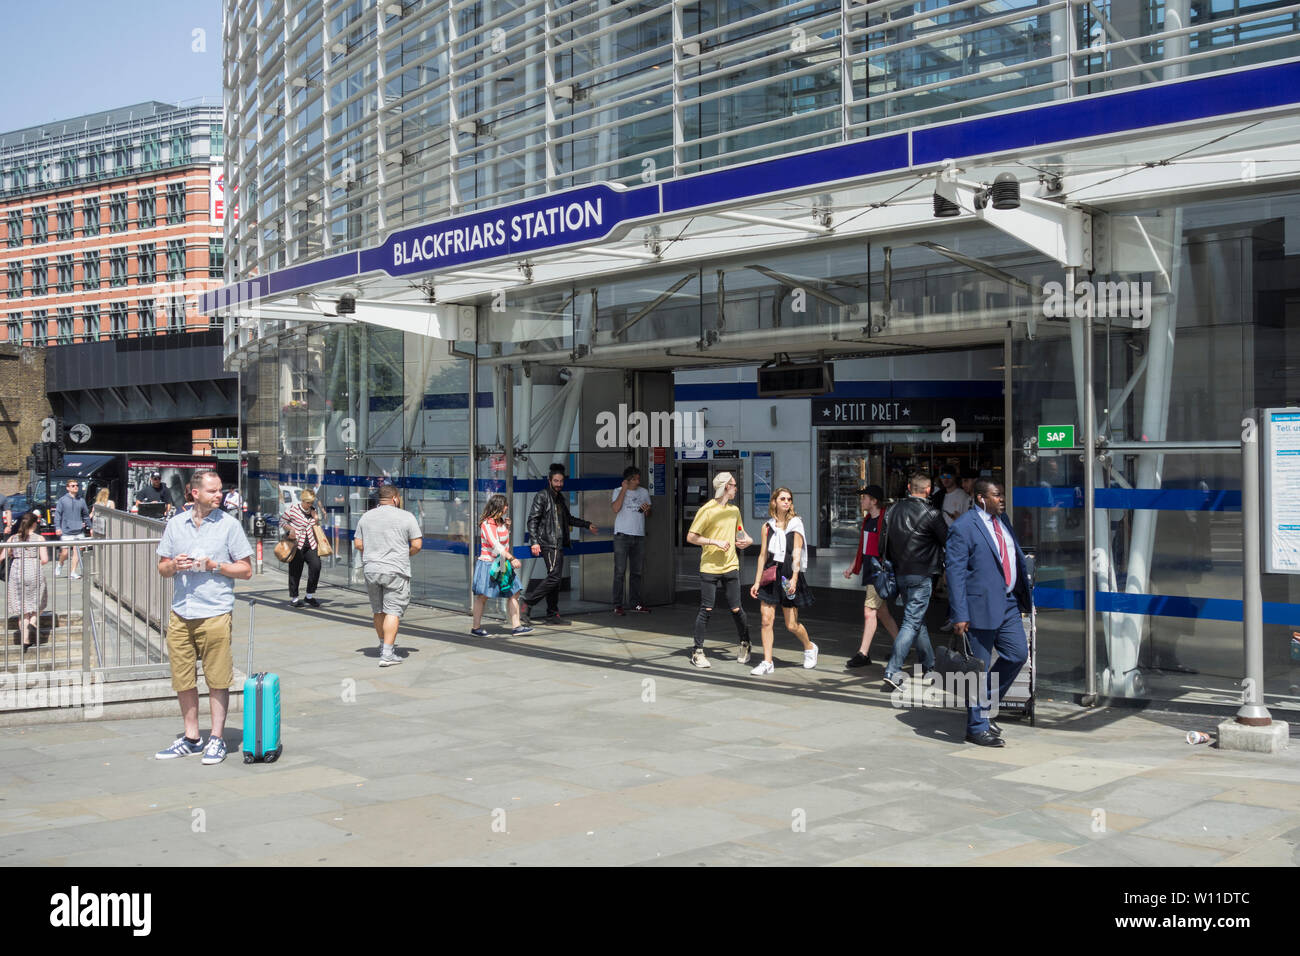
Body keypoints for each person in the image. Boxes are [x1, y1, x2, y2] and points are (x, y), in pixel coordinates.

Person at [154, 469, 254, 765]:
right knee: (183, 678)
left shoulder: (229, 525)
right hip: (181, 611)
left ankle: (217, 739)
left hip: (215, 611)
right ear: (194, 492)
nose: (219, 495)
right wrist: (175, 564)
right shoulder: (175, 525)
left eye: (220, 490)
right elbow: (161, 568)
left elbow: (246, 570)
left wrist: (214, 565)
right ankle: (191, 737)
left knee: (217, 678)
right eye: (212, 491)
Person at [946, 479, 1031, 748]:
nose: (1002, 499)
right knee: (977, 671)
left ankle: (984, 706)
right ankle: (976, 727)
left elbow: (1011, 556)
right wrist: (960, 613)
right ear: (981, 498)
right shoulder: (963, 527)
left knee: (1017, 653)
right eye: (997, 495)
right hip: (978, 608)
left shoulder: (1002, 520)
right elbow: (955, 573)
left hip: (1007, 603)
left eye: (1003, 495)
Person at [881, 473, 948, 692]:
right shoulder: (932, 513)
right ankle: (893, 671)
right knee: (912, 621)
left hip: (900, 573)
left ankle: (930, 665)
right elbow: (948, 540)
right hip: (922, 574)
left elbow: (885, 542)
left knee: (915, 620)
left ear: (909, 487)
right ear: (929, 490)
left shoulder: (892, 510)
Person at [685, 471, 752, 669]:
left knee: (736, 608)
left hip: (731, 565)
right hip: (710, 567)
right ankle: (697, 652)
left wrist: (748, 541)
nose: (736, 488)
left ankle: (745, 644)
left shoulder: (734, 511)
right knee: (706, 609)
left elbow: (741, 533)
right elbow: (691, 537)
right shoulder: (707, 510)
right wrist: (713, 541)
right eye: (733, 484)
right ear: (725, 487)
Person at [748, 487, 816, 674]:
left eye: (789, 499)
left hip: (788, 574)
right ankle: (767, 662)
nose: (786, 502)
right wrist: (756, 581)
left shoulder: (796, 524)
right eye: (782, 499)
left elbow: (796, 554)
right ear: (774, 502)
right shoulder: (767, 527)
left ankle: (809, 647)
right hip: (771, 575)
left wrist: (794, 579)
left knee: (791, 624)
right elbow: (762, 556)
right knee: (766, 620)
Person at [354, 483, 423, 667]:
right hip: (396, 569)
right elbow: (417, 544)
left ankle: (383, 644)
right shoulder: (407, 517)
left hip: (371, 569)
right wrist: (404, 554)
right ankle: (387, 653)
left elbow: (358, 544)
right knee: (393, 610)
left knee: (378, 610)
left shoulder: (366, 517)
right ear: (395, 498)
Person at [520, 463, 597, 627]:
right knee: (555, 577)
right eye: (556, 481)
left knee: (554, 579)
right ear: (549, 481)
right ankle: (527, 602)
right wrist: (534, 542)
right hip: (549, 543)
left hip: (558, 543)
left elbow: (568, 519)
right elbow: (532, 520)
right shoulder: (542, 496)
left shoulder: (560, 498)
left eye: (561, 481)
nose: (559, 484)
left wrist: (586, 524)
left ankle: (552, 613)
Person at [843, 484, 898, 668]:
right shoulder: (868, 519)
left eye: (864, 497)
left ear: (874, 501)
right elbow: (863, 548)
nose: (861, 500)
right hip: (870, 570)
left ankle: (863, 653)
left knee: (869, 612)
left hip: (879, 573)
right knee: (882, 613)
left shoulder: (885, 520)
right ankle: (902, 646)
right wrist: (853, 566)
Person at [470, 494, 530, 636]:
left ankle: (517, 626)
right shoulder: (486, 524)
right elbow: (495, 545)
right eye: (505, 505)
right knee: (483, 596)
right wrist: (512, 558)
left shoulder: (501, 522)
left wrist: (507, 528)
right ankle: (475, 628)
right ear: (498, 507)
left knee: (514, 591)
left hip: (502, 563)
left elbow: (504, 543)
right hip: (489, 564)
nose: (506, 508)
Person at [611, 466, 652, 615]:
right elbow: (615, 508)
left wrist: (646, 509)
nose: (637, 481)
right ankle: (617, 604)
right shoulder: (617, 491)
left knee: (637, 572)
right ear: (627, 480)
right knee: (620, 572)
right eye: (634, 479)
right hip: (622, 535)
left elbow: (648, 514)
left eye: (638, 478)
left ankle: (635, 603)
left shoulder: (644, 492)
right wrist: (623, 490)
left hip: (638, 535)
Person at [6, 511, 48, 650]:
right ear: (34, 523)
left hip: (17, 572)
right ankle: (34, 622)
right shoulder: (39, 539)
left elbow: (3, 556)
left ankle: (25, 640)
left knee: (22, 608)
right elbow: (45, 559)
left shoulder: (12, 539)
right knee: (36, 601)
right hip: (34, 570)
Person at [281, 488, 324, 608]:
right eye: (308, 502)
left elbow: (316, 525)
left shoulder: (313, 511)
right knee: (295, 571)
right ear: (303, 500)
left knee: (316, 566)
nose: (310, 505)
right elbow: (282, 521)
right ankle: (294, 598)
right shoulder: (293, 510)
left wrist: (316, 518)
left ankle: (309, 596)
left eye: (311, 502)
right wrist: (290, 529)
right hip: (297, 544)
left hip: (311, 543)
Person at [53, 479, 90, 580]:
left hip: (79, 530)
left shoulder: (81, 500)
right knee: (64, 552)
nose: (75, 487)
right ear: (68, 487)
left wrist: (90, 526)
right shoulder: (62, 500)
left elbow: (86, 515)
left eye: (77, 485)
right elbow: (57, 515)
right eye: (73, 486)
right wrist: (57, 527)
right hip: (66, 530)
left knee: (78, 551)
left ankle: (73, 572)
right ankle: (60, 564)